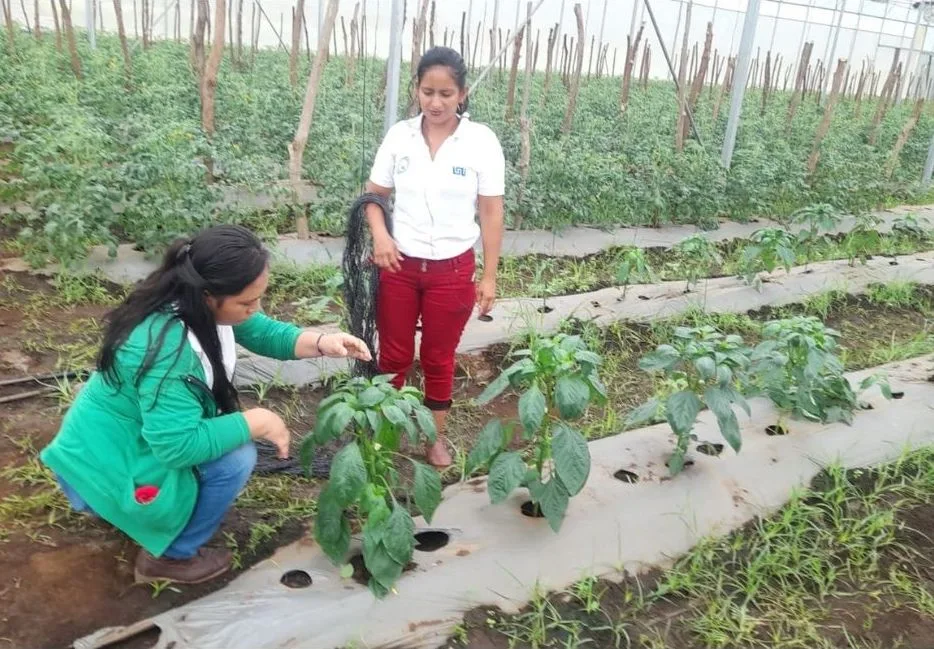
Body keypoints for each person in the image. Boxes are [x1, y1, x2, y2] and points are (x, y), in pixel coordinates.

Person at [39, 224, 371, 584]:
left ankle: (134, 512)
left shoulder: (191, 303)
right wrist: (256, 422)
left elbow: (260, 331)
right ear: (209, 295)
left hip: (116, 447)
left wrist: (323, 342)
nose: (254, 309)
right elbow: (176, 446)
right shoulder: (168, 348)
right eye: (246, 302)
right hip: (97, 470)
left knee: (226, 442)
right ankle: (168, 558)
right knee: (235, 458)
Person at [364, 46, 506, 469]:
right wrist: (381, 236)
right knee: (393, 356)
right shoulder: (399, 136)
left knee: (438, 358)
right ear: (417, 90)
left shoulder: (480, 141)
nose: (436, 102)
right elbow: (373, 196)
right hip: (399, 266)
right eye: (428, 92)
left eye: (446, 93)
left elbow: (491, 211)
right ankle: (387, 433)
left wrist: (490, 276)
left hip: (453, 268)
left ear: (462, 93)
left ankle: (433, 438)